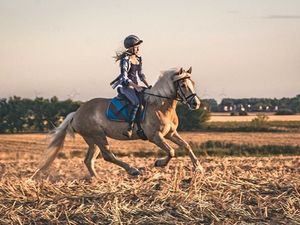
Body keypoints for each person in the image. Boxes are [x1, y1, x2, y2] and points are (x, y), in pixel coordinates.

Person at [111, 35, 151, 138]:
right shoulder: (125, 59)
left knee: (146, 100)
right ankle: (129, 128)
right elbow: (124, 78)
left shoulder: (138, 59)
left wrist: (148, 85)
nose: (138, 49)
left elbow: (141, 75)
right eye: (136, 47)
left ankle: (142, 127)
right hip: (125, 86)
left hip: (135, 85)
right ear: (130, 48)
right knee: (136, 102)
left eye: (139, 47)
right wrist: (135, 86)